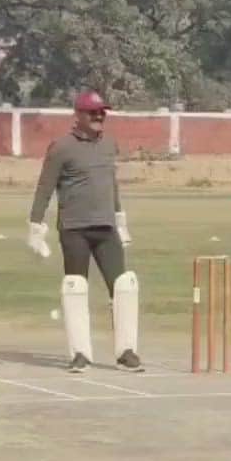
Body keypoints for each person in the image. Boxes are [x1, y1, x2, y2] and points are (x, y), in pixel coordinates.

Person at [27, 89, 142, 374]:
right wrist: (35, 226)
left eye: (102, 112)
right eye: (93, 112)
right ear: (78, 115)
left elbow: (111, 184)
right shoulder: (62, 147)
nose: (99, 116)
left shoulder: (108, 145)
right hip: (74, 228)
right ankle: (80, 353)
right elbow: (45, 188)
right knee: (75, 288)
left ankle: (126, 352)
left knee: (125, 286)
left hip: (106, 227)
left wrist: (121, 220)